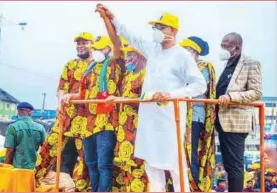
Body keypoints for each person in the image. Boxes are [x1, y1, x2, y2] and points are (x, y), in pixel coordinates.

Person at [96, 4, 207, 192]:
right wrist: (112, 18)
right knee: (151, 161)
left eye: (161, 27)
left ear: (174, 30)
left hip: (170, 116)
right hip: (149, 115)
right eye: (155, 28)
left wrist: (171, 95)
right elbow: (128, 34)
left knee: (174, 162)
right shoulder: (152, 49)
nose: (157, 31)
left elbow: (199, 85)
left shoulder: (182, 56)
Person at [60, 35, 124, 192]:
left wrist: (107, 20)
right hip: (89, 124)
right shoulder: (90, 69)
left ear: (109, 49)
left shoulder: (115, 63)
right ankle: (95, 189)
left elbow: (118, 45)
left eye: (100, 48)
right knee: (91, 163)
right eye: (95, 48)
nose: (96, 51)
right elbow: (83, 94)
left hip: (106, 123)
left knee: (104, 163)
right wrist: (70, 96)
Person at [96, 7, 148, 192]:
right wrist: (106, 19)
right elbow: (116, 41)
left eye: (131, 55)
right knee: (123, 167)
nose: (127, 59)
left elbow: (144, 102)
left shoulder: (148, 77)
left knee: (139, 169)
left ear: (141, 57)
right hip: (124, 129)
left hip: (140, 129)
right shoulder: (127, 75)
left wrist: (120, 99)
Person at [35, 32, 94, 191]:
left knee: (86, 154)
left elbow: (92, 91)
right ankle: (37, 179)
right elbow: (61, 87)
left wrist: (72, 96)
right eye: (78, 43)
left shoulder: (97, 65)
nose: (81, 45)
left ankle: (83, 187)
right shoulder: (70, 64)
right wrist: (62, 100)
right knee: (50, 146)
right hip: (66, 116)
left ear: (92, 45)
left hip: (88, 117)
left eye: (85, 42)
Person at [216, 32, 262, 192]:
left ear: (237, 47)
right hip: (222, 121)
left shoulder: (250, 63)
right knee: (228, 166)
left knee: (234, 166)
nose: (223, 47)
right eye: (222, 44)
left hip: (236, 122)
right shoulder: (225, 64)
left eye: (226, 45)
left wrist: (231, 96)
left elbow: (256, 92)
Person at [179, 36, 217, 192]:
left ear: (193, 52)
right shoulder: (182, 68)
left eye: (185, 50)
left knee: (190, 154)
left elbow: (199, 88)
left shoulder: (204, 67)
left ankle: (192, 187)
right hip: (180, 116)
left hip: (194, 118)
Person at [4, 102, 46, 169]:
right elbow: (45, 148)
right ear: (30, 113)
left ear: (18, 112)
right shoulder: (40, 128)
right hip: (34, 167)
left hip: (17, 168)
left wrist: (6, 166)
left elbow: (10, 150)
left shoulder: (12, 127)